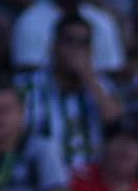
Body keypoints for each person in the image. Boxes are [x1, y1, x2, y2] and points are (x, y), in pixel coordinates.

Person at [16, 12, 122, 178]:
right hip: (39, 179)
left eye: (83, 43)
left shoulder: (102, 86)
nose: (75, 50)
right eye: (69, 41)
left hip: (89, 182)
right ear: (54, 44)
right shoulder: (26, 87)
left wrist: (88, 76)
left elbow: (115, 121)